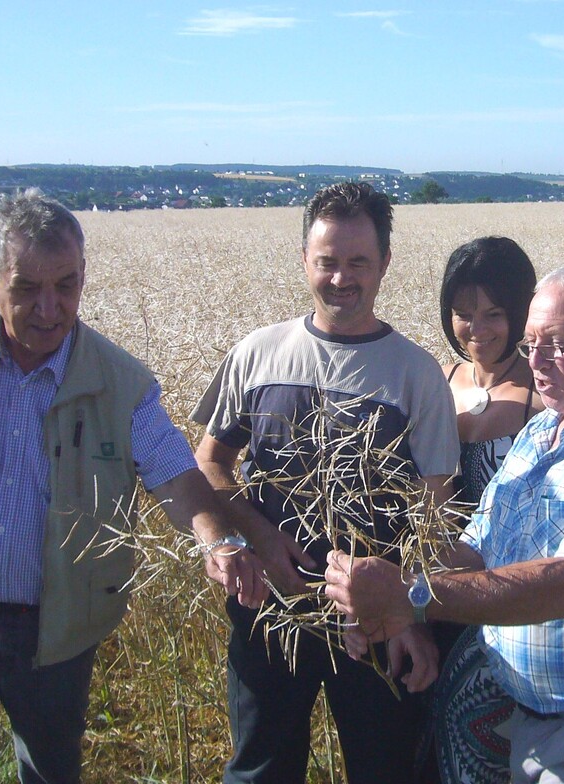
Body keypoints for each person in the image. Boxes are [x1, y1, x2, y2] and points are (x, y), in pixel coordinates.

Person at [0, 188, 266, 784]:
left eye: (66, 285)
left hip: (54, 635)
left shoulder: (121, 382)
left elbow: (177, 479)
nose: (49, 308)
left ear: (84, 277)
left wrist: (218, 542)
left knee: (51, 770)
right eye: (27, 288)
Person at [326, 262, 564, 784]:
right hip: (530, 721)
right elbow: (475, 547)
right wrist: (383, 594)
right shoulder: (542, 434)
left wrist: (411, 596)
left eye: (556, 344)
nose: (536, 361)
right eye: (530, 344)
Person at [191, 182, 459, 784]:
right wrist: (260, 537)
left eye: (358, 262)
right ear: (305, 260)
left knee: (384, 769)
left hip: (374, 624)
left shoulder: (416, 376)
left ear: (385, 263)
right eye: (327, 262)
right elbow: (210, 462)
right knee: (260, 769)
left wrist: (409, 618)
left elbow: (434, 512)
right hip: (270, 613)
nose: (341, 278)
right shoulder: (257, 354)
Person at [430, 237, 543, 784]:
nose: (477, 328)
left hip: (504, 602)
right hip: (431, 594)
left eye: (494, 313)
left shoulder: (541, 394)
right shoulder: (436, 383)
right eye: (463, 313)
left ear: (521, 312)